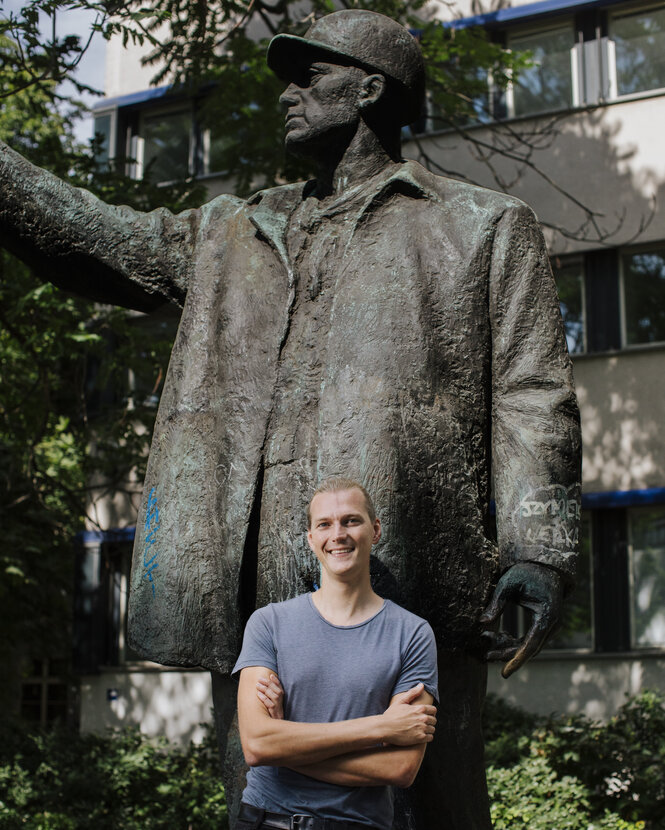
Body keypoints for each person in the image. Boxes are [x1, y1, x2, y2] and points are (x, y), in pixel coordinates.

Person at [0, 9, 581, 828]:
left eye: (309, 76)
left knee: (428, 797)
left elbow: (531, 391)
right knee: (260, 795)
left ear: (370, 88)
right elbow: (90, 240)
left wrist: (539, 547)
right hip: (249, 568)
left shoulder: (479, 226)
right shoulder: (229, 231)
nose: (288, 94)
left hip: (404, 568)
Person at [232, 478, 438, 830]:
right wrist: (381, 727)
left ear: (374, 531)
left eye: (351, 521)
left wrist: (286, 742)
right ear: (311, 539)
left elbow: (400, 769)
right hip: (268, 821)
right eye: (324, 524)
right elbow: (256, 745)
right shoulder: (268, 623)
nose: (338, 534)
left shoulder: (412, 634)